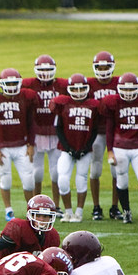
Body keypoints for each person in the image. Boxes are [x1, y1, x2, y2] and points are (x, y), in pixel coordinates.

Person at [0, 68, 40, 221]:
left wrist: (31, 144)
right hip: (3, 146)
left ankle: (30, 209)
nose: (11, 86)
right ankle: (8, 210)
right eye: (8, 83)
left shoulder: (26, 97)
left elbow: (31, 123)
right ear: (1, 84)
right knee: (5, 179)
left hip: (22, 146)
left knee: (28, 181)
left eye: (14, 82)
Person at [101, 73, 138, 223]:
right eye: (124, 90)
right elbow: (109, 128)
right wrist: (110, 151)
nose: (127, 93)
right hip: (120, 147)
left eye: (131, 89)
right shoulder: (113, 103)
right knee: (122, 180)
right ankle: (126, 212)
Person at [51, 73, 101, 222]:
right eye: (76, 89)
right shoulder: (63, 104)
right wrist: (69, 148)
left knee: (81, 179)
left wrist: (85, 148)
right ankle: (67, 212)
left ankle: (78, 212)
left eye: (81, 89)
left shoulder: (93, 106)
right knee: (63, 180)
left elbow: (94, 130)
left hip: (84, 149)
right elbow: (58, 128)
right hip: (67, 149)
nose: (79, 92)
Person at [22, 54, 67, 202]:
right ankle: (36, 203)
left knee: (56, 172)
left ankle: (57, 205)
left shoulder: (62, 85)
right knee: (37, 173)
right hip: (36, 133)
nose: (45, 73)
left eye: (48, 69)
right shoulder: (28, 85)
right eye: (42, 69)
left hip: (55, 132)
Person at [87, 51, 120, 221]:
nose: (103, 70)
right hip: (97, 133)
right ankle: (96, 206)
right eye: (99, 67)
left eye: (106, 66)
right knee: (95, 170)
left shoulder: (119, 82)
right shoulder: (89, 84)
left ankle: (115, 206)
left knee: (117, 171)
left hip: (115, 133)